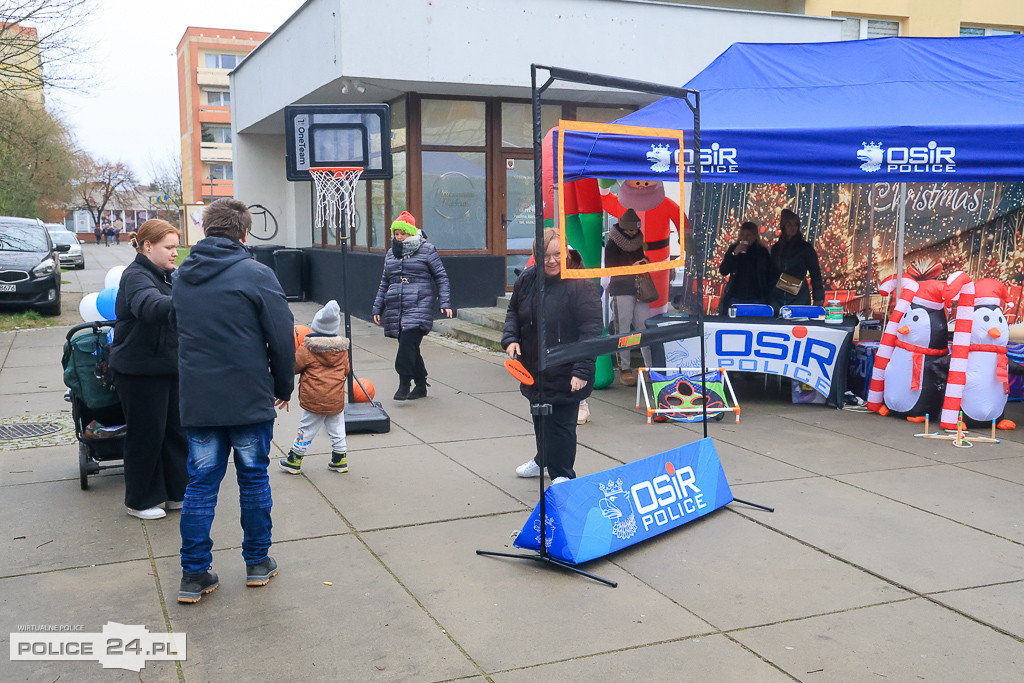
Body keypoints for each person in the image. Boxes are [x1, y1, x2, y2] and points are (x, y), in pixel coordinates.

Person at [172, 198, 295, 604]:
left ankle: (193, 575)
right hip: (246, 396)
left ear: (205, 230)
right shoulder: (256, 273)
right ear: (244, 233)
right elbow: (281, 336)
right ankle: (257, 563)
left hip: (200, 399)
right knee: (253, 479)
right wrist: (283, 386)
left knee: (201, 486)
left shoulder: (181, 275)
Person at [503, 228, 602, 484]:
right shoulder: (527, 279)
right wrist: (510, 339)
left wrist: (581, 370)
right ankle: (542, 460)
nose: (551, 260)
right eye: (545, 255)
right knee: (540, 419)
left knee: (562, 426)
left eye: (557, 254)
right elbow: (513, 312)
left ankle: (563, 475)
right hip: (534, 368)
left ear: (567, 252)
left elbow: (590, 332)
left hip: (566, 369)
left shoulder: (581, 285)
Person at [108, 219, 187, 520]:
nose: (174, 254)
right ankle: (140, 500)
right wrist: (185, 301)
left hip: (169, 367)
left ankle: (176, 492)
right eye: (168, 247)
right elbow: (149, 306)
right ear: (147, 246)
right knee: (146, 436)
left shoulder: (171, 276)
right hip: (139, 371)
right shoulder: (136, 276)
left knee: (176, 433)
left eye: (176, 247)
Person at [372, 211, 452, 401]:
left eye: (403, 233)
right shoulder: (391, 253)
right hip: (396, 306)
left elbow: (441, 276)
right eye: (396, 234)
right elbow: (385, 281)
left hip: (419, 303)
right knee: (410, 348)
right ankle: (421, 385)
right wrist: (378, 307)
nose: (399, 237)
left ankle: (404, 383)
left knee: (407, 344)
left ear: (411, 233)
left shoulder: (427, 250)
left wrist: (445, 301)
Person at [279, 300, 351, 475]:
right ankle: (340, 459)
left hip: (314, 398)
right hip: (335, 398)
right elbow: (347, 370)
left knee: (306, 428)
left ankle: (295, 459)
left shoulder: (307, 348)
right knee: (337, 429)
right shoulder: (342, 350)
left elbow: (294, 367)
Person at [604, 208, 651, 388]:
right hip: (621, 289)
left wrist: (644, 262)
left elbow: (642, 259)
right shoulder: (612, 245)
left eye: (635, 229)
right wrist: (634, 266)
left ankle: (649, 368)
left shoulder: (638, 242)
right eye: (630, 229)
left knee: (644, 329)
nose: (633, 232)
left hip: (639, 289)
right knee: (623, 331)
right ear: (623, 228)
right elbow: (611, 269)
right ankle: (625, 369)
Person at [769, 209, 825, 312]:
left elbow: (815, 272)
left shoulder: (805, 248)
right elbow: (771, 272)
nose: (792, 227)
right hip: (777, 298)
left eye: (795, 224)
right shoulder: (776, 248)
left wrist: (819, 298)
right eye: (789, 224)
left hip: (799, 297)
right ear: (783, 226)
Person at [718, 220, 772, 313]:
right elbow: (723, 270)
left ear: (755, 236)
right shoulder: (733, 249)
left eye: (748, 235)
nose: (745, 238)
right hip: (736, 295)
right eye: (742, 235)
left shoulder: (761, 251)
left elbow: (769, 273)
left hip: (756, 296)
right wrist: (734, 254)